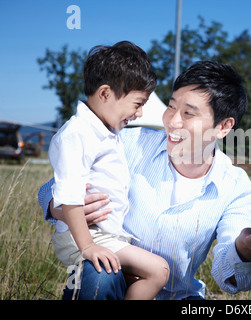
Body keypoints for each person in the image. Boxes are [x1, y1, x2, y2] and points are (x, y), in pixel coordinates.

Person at [39, 60, 251, 300]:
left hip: (178, 294)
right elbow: (51, 187)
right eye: (171, 107)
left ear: (223, 126)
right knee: (98, 276)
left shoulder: (238, 188)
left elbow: (228, 279)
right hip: (111, 276)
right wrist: (58, 206)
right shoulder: (127, 143)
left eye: (188, 113)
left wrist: (244, 249)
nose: (172, 121)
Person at [47, 41, 169, 300]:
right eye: (137, 103)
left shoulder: (105, 131)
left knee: (153, 271)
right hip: (87, 237)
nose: (140, 113)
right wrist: (89, 246)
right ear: (105, 94)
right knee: (158, 271)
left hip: (104, 235)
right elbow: (68, 195)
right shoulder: (77, 134)